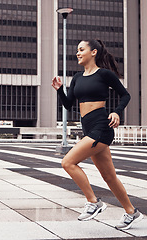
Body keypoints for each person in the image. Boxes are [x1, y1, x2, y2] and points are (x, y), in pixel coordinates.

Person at [51, 39, 143, 230]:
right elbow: (69, 105)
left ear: (93, 52)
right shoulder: (77, 77)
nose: (77, 53)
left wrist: (117, 111)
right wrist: (60, 90)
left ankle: (94, 202)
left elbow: (125, 95)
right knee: (109, 177)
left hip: (102, 126)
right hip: (88, 126)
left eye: (81, 49)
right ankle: (131, 212)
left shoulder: (104, 74)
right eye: (77, 50)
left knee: (68, 162)